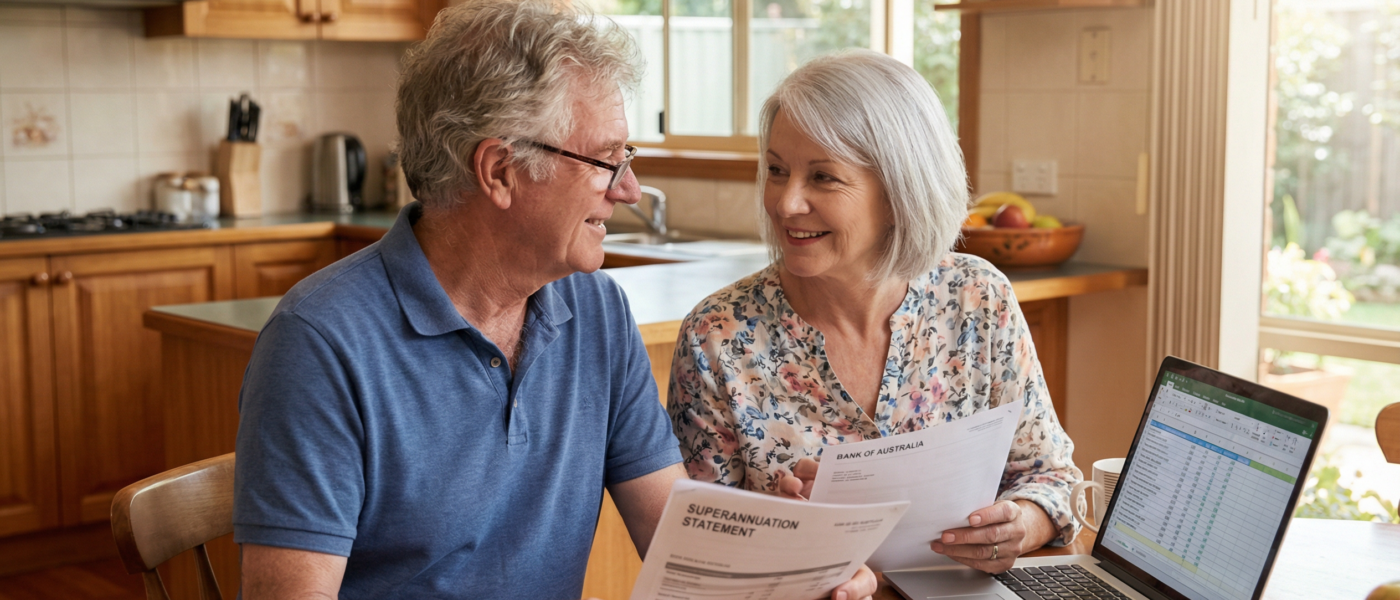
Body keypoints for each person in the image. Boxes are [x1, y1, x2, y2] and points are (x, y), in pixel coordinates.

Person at [231, 2, 877, 599]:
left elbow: (682, 543)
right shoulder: (318, 343)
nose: (628, 189)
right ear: (500, 172)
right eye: (605, 160)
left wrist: (810, 555)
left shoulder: (596, 312)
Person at [668, 49, 1084, 574]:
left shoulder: (977, 298)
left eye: (823, 177)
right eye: (777, 170)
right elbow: (697, 556)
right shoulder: (719, 336)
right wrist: (782, 535)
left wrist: (1019, 526)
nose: (785, 203)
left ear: (899, 192)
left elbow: (1052, 479)